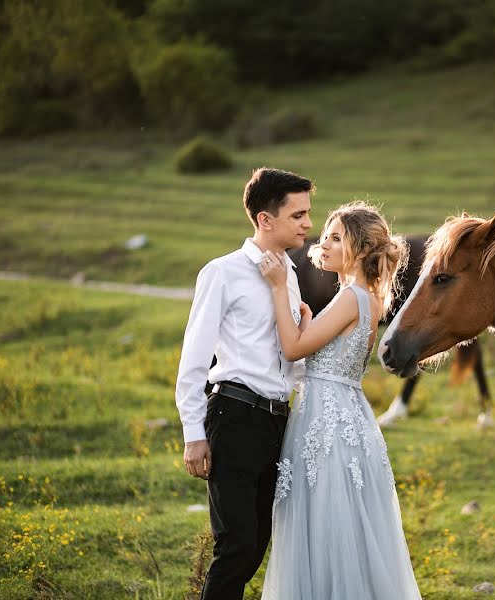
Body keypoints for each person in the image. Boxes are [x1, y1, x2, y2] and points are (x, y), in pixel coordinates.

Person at [257, 201, 423, 599]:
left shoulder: (351, 297)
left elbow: (294, 348)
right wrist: (311, 322)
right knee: (339, 524)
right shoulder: (367, 298)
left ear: (362, 251)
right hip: (344, 414)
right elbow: (329, 353)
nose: (323, 244)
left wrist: (279, 288)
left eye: (336, 237)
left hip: (327, 422)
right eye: (326, 236)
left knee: (325, 524)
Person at [174, 167, 314, 600]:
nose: (309, 224)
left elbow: (286, 356)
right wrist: (193, 435)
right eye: (298, 215)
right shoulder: (222, 272)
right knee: (235, 546)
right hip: (233, 415)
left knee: (255, 546)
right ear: (264, 220)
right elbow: (194, 359)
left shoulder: (288, 275)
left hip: (275, 423)